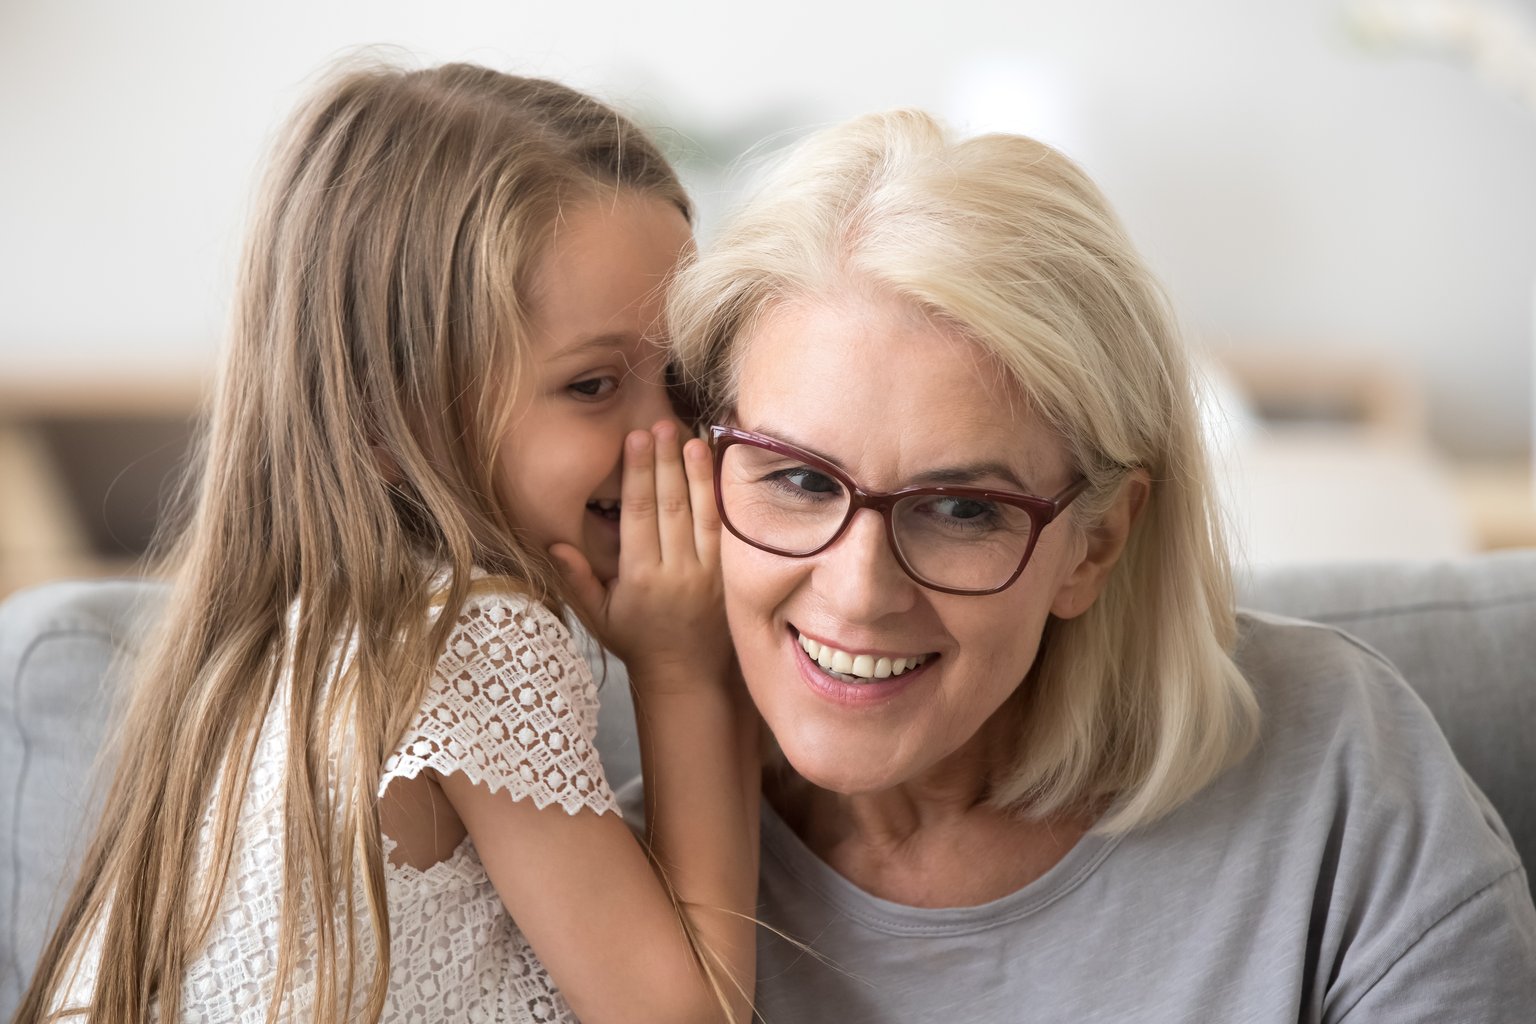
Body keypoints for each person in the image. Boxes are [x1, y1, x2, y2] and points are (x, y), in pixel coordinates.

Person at [665, 109, 1536, 1021]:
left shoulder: (1340, 776)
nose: (859, 590)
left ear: (1097, 542)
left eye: (964, 509)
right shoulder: (607, 872)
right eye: (799, 480)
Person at [16, 62, 757, 1024]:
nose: (672, 438)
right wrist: (685, 672)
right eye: (592, 385)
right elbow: (688, 1016)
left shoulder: (283, 642)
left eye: (684, 378)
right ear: (386, 420)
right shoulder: (473, 634)